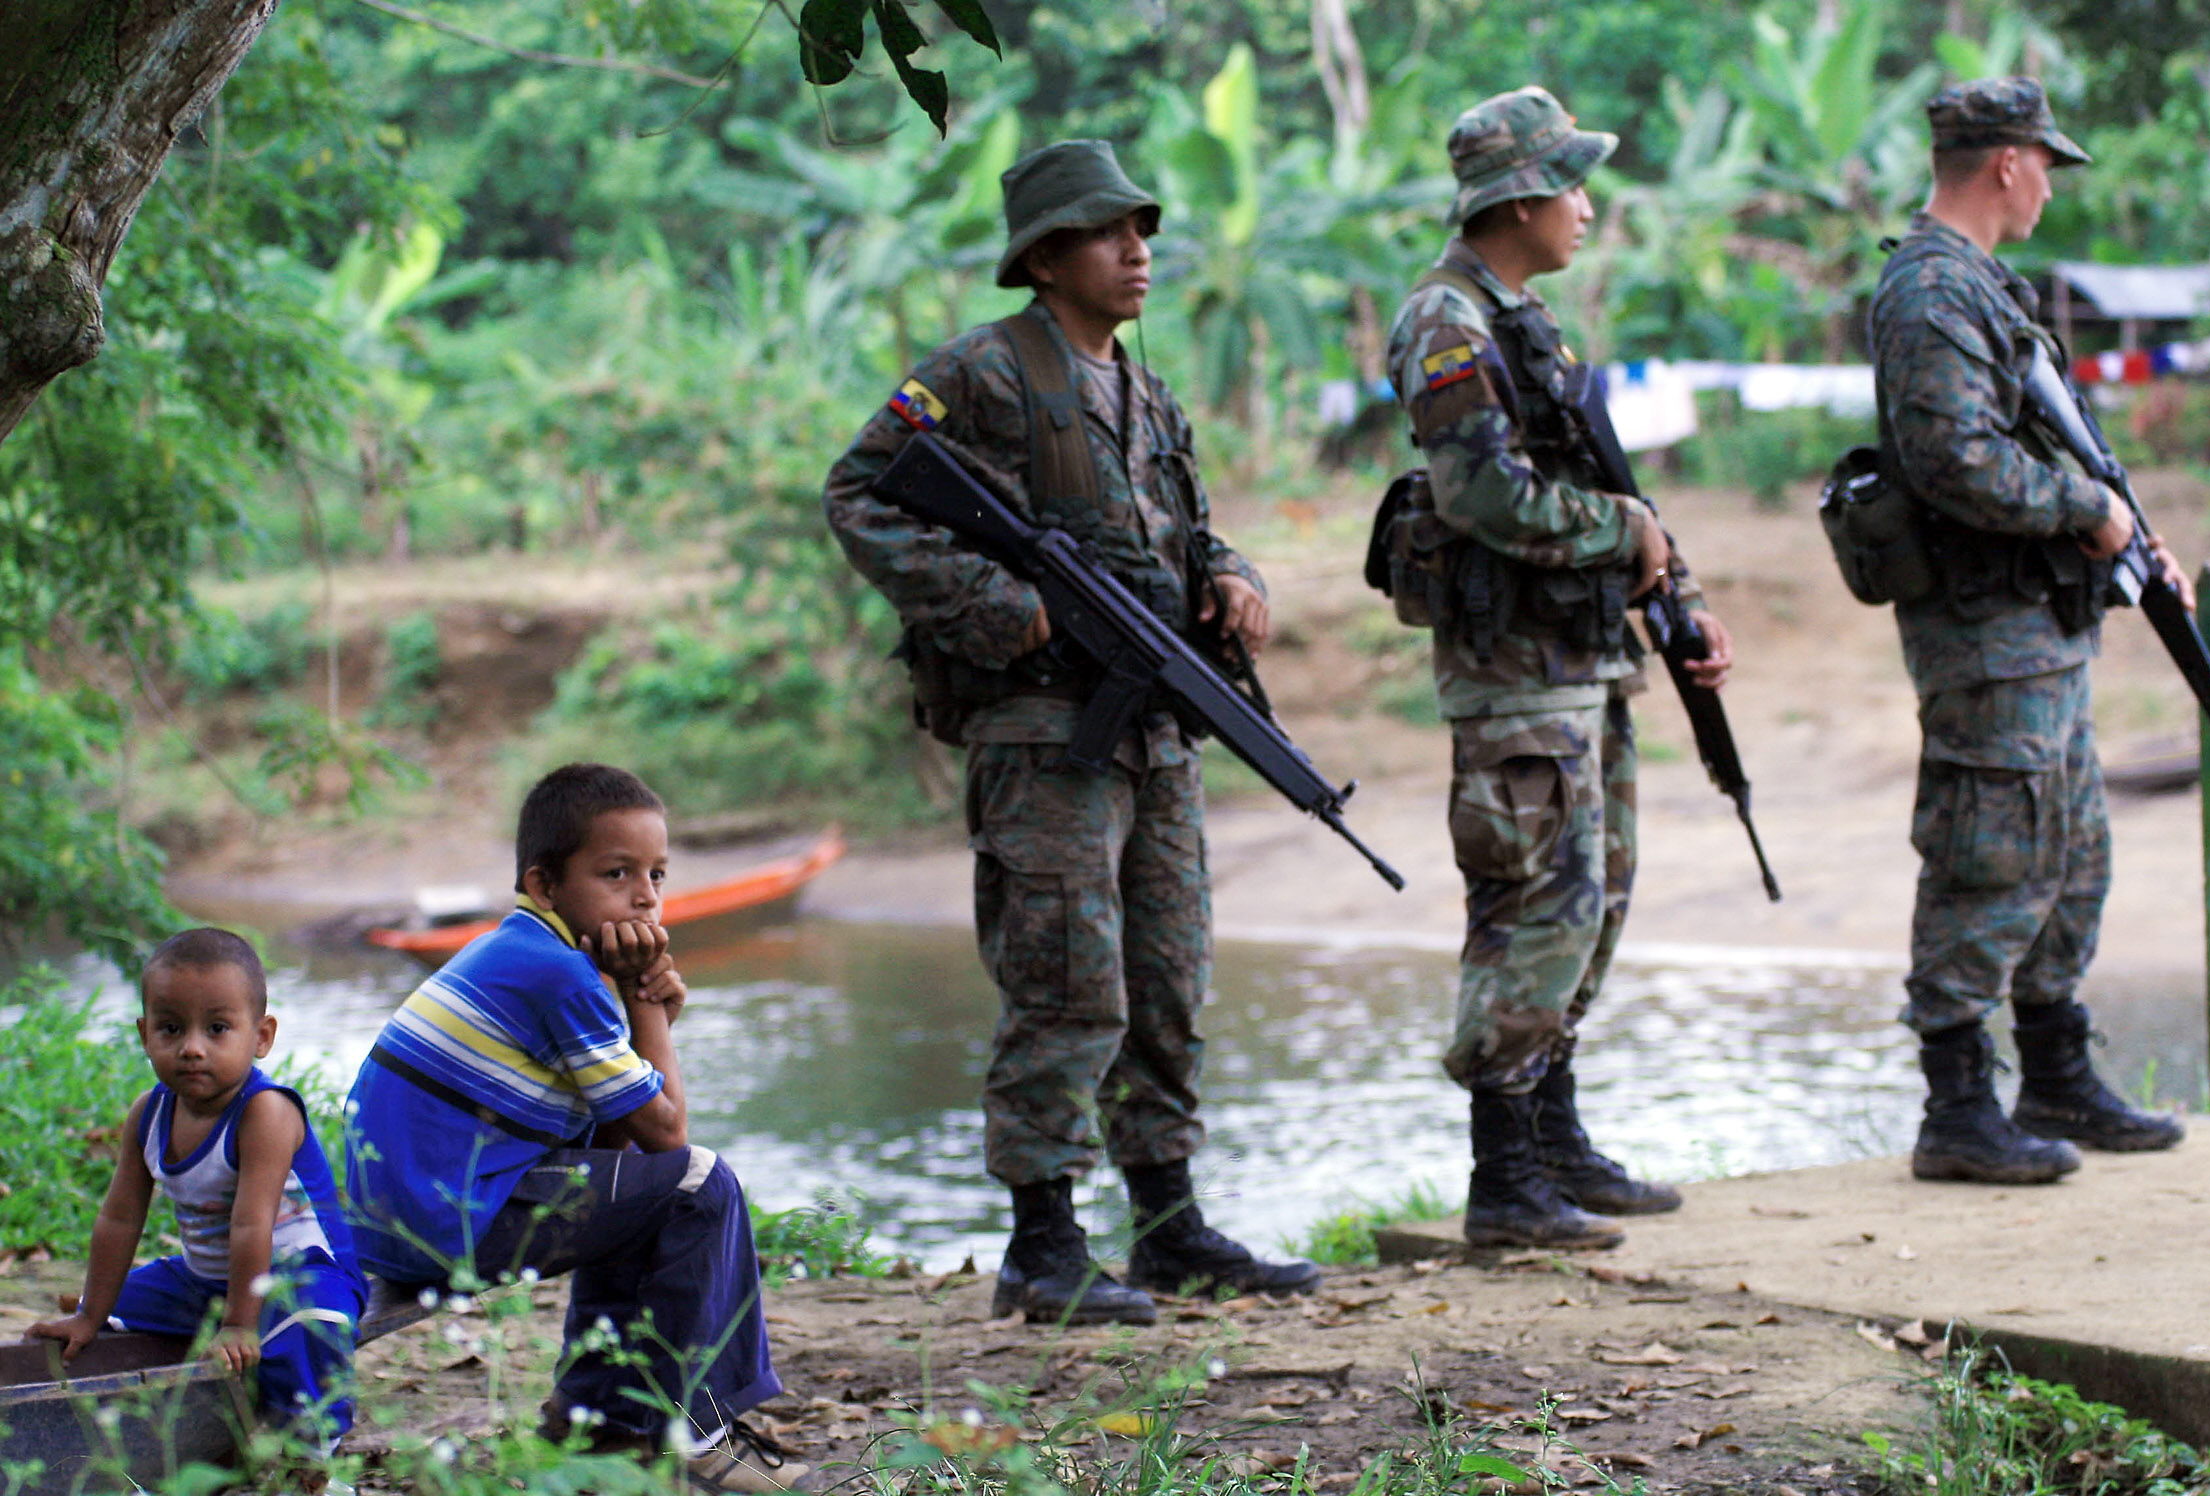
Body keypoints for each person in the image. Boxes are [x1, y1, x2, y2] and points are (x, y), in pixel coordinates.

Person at [824, 139, 1319, 1325]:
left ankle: (1167, 1222)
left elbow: (1185, 538)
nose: (1136, 251)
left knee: (1167, 977)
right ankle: (1042, 1240)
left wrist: (1234, 577)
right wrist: (1000, 606)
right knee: (1064, 979)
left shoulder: (1147, 393)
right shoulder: (987, 374)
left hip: (1152, 731)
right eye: (1109, 233)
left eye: (1141, 229)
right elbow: (858, 492)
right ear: (1046, 257)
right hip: (1047, 735)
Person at [1384, 88, 1736, 1251]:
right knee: (1534, 907)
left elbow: (1595, 472)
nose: (1586, 207)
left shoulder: (1521, 318)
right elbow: (1480, 495)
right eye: (1573, 187)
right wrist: (1619, 530)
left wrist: (1670, 587)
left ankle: (1556, 1136)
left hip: (1581, 661)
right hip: (1514, 677)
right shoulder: (1449, 324)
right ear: (1521, 200)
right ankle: (1505, 1173)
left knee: (1591, 902)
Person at [1868, 77, 2186, 1184]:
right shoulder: (1929, 293)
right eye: (2045, 163)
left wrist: (2131, 534)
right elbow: (1953, 460)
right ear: (2004, 163)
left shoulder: (1985, 288)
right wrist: (2084, 512)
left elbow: (2062, 450)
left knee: (2068, 854)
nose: (2049, 183)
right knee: (1985, 855)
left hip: (2039, 625)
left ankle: (2053, 1071)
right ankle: (1957, 1105)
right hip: (1984, 630)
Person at [343, 763, 797, 1492]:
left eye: (657, 874)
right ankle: (698, 1431)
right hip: (444, 1225)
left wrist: (646, 1016)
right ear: (546, 884)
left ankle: (591, 1416)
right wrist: (645, 1004)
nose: (645, 896)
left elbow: (617, 1147)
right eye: (616, 873)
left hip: (406, 1219)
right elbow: (668, 1140)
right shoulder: (560, 975)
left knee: (644, 1197)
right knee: (701, 1185)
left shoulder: (524, 951)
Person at [30, 928, 365, 1478]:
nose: (191, 1046)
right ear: (144, 1034)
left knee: (313, 1325)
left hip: (297, 1272)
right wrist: (91, 1314)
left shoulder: (266, 1113)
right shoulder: (149, 1114)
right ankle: (170, 1426)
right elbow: (119, 1216)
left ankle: (311, 1461)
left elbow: (251, 1222)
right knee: (102, 1323)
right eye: (170, 1028)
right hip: (203, 1277)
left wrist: (239, 1322)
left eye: (216, 1028)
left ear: (261, 1036)